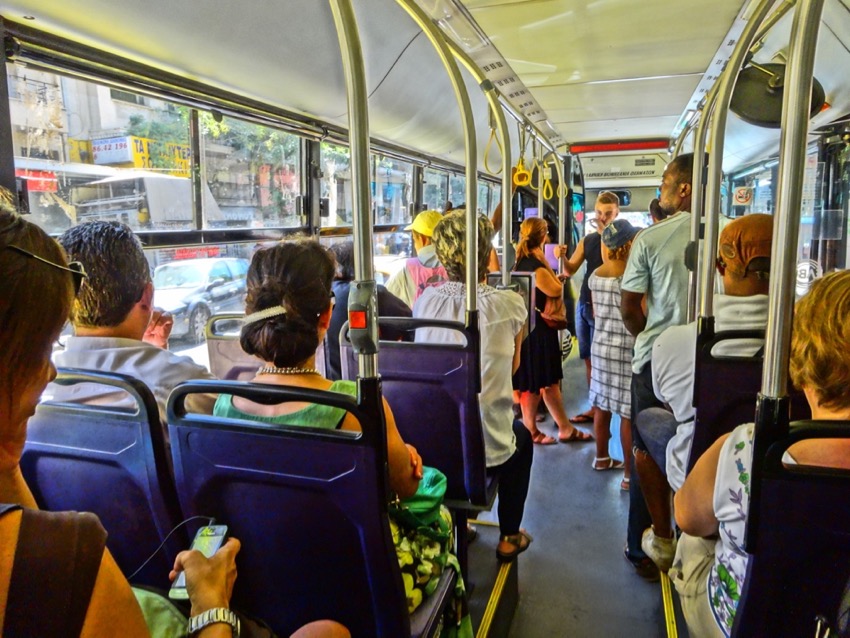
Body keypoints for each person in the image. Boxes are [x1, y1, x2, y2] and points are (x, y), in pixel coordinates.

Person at [0, 204, 349, 638]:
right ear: (146, 296)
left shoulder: (36, 406)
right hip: (183, 587)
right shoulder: (184, 389)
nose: (47, 370)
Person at [212, 241, 471, 634]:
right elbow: (404, 485)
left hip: (257, 588)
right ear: (328, 315)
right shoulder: (356, 409)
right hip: (357, 590)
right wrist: (408, 458)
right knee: (443, 521)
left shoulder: (223, 406)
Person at [672, 270, 850, 637]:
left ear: (802, 367)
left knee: (693, 536)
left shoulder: (748, 449)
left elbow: (688, 517)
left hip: (751, 624)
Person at [636, 214, 772, 573]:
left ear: (718, 267)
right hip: (777, 474)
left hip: (701, 480)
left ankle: (664, 536)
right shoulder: (800, 341)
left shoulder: (678, 342)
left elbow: (670, 400)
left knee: (647, 425)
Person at [413, 210, 535, 562]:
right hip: (486, 450)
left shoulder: (426, 300)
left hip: (431, 442)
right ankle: (510, 535)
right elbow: (512, 369)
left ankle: (459, 522)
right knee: (521, 438)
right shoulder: (509, 304)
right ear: (486, 253)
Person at [49, 221, 215, 425]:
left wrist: (156, 351)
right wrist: (159, 356)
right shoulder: (184, 386)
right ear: (147, 296)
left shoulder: (40, 382)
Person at [619, 152, 696, 580]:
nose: (661, 190)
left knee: (644, 449)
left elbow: (630, 309)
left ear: (683, 188)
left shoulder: (653, 239)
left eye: (666, 181)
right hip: (718, 358)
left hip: (656, 360)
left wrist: (653, 337)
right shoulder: (734, 231)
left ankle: (645, 546)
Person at [513, 217, 593, 445]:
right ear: (542, 236)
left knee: (536, 384)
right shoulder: (535, 264)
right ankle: (561, 428)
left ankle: (535, 429)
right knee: (547, 382)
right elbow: (555, 288)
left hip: (530, 327)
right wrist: (558, 278)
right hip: (540, 330)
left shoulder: (521, 261)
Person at [558, 191, 620, 425]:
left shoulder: (621, 241)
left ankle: (603, 408)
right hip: (585, 301)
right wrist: (562, 258)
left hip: (603, 305)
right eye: (599, 213)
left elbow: (611, 266)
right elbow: (571, 268)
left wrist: (606, 234)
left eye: (608, 214)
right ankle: (595, 405)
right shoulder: (588, 240)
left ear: (616, 214)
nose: (603, 218)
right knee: (587, 357)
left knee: (600, 358)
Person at [587, 219, 639, 487]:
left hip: (601, 346)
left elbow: (596, 313)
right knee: (627, 412)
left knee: (602, 406)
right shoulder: (630, 277)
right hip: (625, 347)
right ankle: (629, 476)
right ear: (629, 244)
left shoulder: (596, 275)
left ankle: (601, 458)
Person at [326, 240, 411, 381]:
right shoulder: (374, 294)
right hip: (367, 377)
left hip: (329, 380)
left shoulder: (323, 296)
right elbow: (408, 323)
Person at [385, 210, 448, 307]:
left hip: (418, 322)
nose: (415, 246)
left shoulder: (406, 269)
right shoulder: (456, 266)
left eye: (415, 240)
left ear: (423, 239)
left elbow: (384, 298)